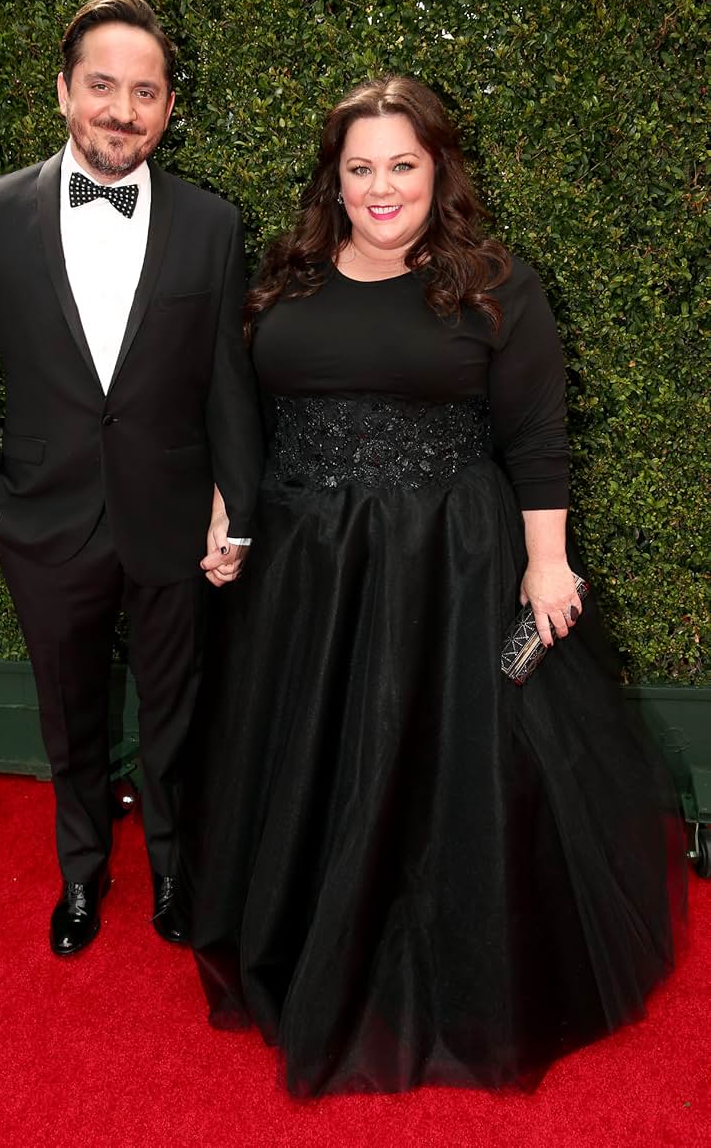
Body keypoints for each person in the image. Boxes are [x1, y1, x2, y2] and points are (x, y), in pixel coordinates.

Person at [183, 76, 686, 1095]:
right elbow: (238, 416)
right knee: (316, 759)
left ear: (436, 170)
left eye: (401, 165)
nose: (380, 188)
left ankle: (444, 966)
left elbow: (536, 436)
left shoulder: (497, 282)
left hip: (448, 564)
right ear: (332, 176)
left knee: (442, 767)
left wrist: (547, 561)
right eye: (359, 167)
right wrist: (223, 509)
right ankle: (313, 940)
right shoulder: (281, 280)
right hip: (305, 570)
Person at [0, 0, 263, 957]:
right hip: (41, 521)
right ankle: (82, 872)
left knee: (174, 709)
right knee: (69, 714)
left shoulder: (212, 224)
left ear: (169, 107)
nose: (123, 110)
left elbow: (228, 385)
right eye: (102, 86)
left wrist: (237, 511)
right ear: (64, 92)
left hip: (170, 516)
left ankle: (170, 864)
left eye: (146, 91)